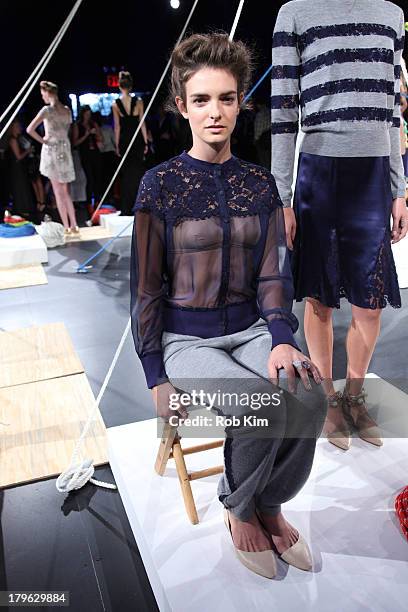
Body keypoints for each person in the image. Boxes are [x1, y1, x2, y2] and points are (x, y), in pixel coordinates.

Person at [130, 32, 326, 579]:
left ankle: (269, 503)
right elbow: (145, 289)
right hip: (185, 340)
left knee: (308, 395)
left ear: (242, 102)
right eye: (201, 100)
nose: (214, 112)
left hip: (251, 329)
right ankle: (238, 507)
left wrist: (284, 338)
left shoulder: (260, 185)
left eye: (226, 98)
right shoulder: (159, 186)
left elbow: (272, 276)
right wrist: (155, 377)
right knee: (259, 405)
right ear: (180, 105)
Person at [271, 0, 408, 450]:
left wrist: (399, 187)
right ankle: (327, 399)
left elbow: (392, 109)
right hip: (319, 175)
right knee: (319, 299)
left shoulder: (390, 13)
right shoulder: (295, 12)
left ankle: (354, 394)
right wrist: (283, 194)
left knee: (370, 304)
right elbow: (283, 110)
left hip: (371, 178)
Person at [27, 80, 78, 234]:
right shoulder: (67, 110)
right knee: (66, 191)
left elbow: (30, 129)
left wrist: (44, 140)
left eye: (43, 94)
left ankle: (67, 227)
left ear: (49, 93)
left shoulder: (47, 111)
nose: (43, 97)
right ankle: (74, 225)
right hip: (65, 149)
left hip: (53, 150)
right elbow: (68, 128)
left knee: (58, 191)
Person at [112, 71, 148, 215]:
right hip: (137, 138)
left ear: (120, 86)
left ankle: (127, 207)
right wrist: (145, 142)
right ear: (131, 85)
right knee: (138, 173)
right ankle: (140, 204)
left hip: (125, 140)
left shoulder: (115, 104)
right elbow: (142, 123)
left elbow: (117, 127)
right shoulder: (139, 101)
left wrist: (116, 145)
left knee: (127, 175)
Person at [72, 105, 103, 212]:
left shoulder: (93, 124)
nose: (88, 116)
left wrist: (96, 132)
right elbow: (75, 143)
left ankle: (98, 201)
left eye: (89, 114)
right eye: (86, 114)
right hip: (85, 154)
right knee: (89, 178)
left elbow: (100, 138)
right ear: (82, 114)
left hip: (95, 153)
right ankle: (89, 203)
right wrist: (86, 135)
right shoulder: (78, 125)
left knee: (98, 178)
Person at [7, 119, 36, 221]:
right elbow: (18, 156)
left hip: (20, 167)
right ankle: (22, 209)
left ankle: (25, 208)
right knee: (20, 187)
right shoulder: (13, 140)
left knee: (23, 186)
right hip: (16, 167)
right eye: (18, 126)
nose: (20, 128)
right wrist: (28, 151)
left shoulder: (19, 138)